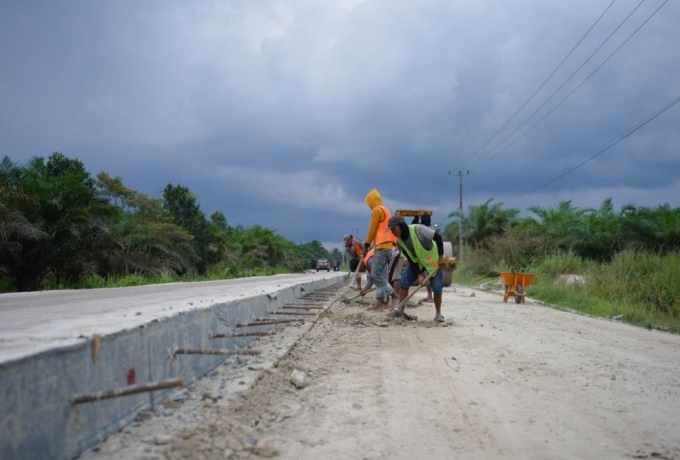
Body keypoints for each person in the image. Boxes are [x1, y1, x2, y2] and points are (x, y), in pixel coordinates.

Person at [387, 214, 447, 322]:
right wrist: (419, 275)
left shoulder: (418, 229)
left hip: (432, 261)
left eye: (393, 229)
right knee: (404, 282)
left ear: (400, 226)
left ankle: (438, 314)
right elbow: (410, 258)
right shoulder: (400, 242)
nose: (392, 233)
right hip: (418, 263)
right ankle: (400, 310)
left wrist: (441, 257)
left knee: (437, 287)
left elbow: (438, 237)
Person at [363, 189, 397, 310]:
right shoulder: (387, 210)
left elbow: (372, 229)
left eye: (369, 203)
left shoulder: (377, 210)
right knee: (380, 275)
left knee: (375, 274)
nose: (369, 206)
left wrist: (366, 244)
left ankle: (394, 295)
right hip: (388, 247)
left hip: (382, 246)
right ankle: (380, 302)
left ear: (372, 201)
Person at [419, 214, 435, 303]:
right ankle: (430, 295)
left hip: (428, 257)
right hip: (431, 256)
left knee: (428, 276)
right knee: (428, 276)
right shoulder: (432, 229)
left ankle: (430, 296)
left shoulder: (423, 230)